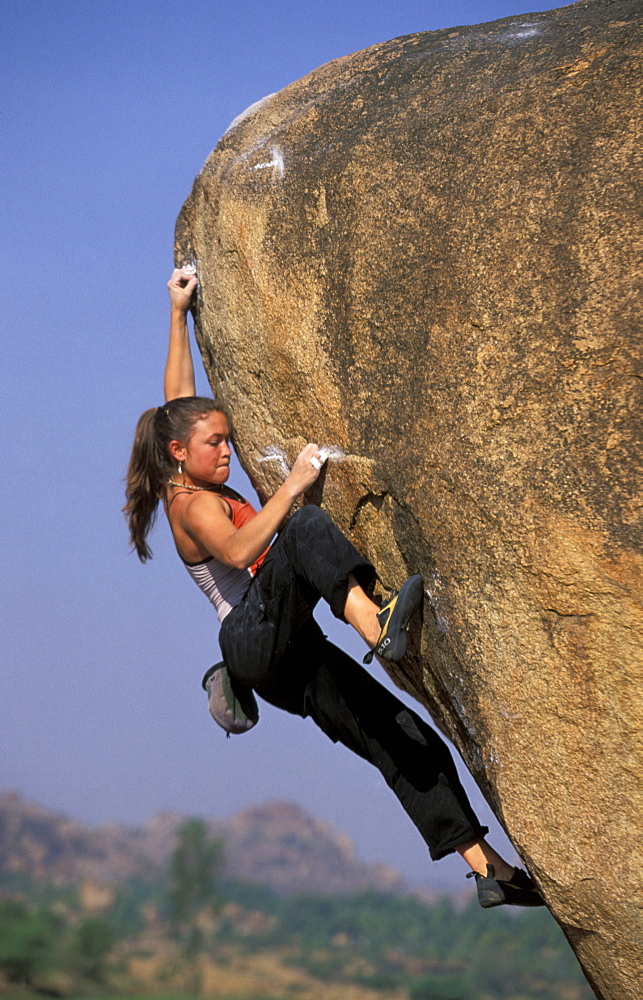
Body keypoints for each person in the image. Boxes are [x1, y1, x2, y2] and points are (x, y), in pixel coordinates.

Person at [123, 267, 544, 909]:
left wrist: (178, 314)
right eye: (216, 444)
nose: (227, 452)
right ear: (180, 454)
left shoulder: (183, 459)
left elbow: (177, 404)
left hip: (287, 649)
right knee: (304, 525)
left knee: (396, 731)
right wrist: (292, 484)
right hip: (252, 637)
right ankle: (380, 629)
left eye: (228, 441)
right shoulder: (187, 503)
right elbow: (241, 549)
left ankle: (488, 870)